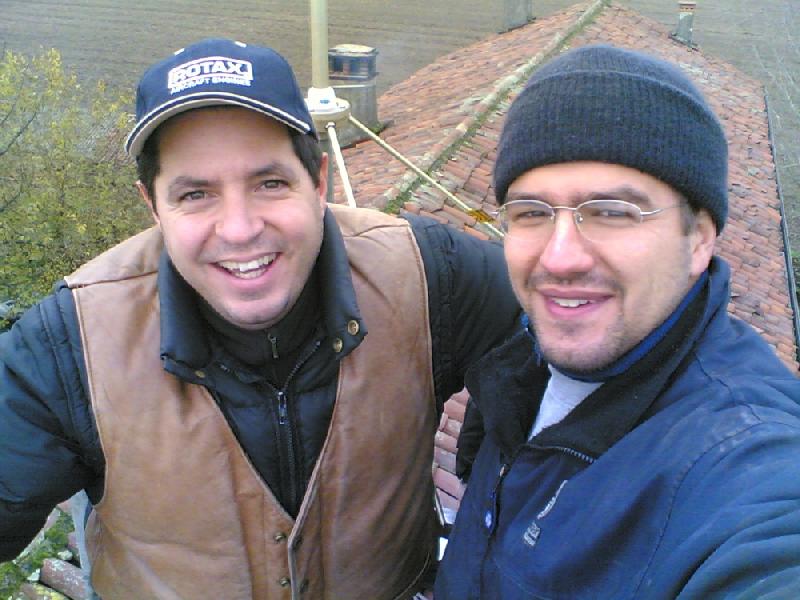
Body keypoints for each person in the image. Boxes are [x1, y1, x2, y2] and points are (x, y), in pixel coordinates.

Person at [0, 38, 521, 599]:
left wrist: (491, 445)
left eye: (269, 183)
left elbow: (560, 338)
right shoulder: (69, 341)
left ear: (318, 182)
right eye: (195, 194)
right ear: (152, 207)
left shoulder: (428, 272)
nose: (240, 229)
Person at [435, 45, 800, 598]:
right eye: (531, 213)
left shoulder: (744, 461)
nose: (560, 258)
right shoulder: (520, 362)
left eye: (611, 212)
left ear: (699, 239)